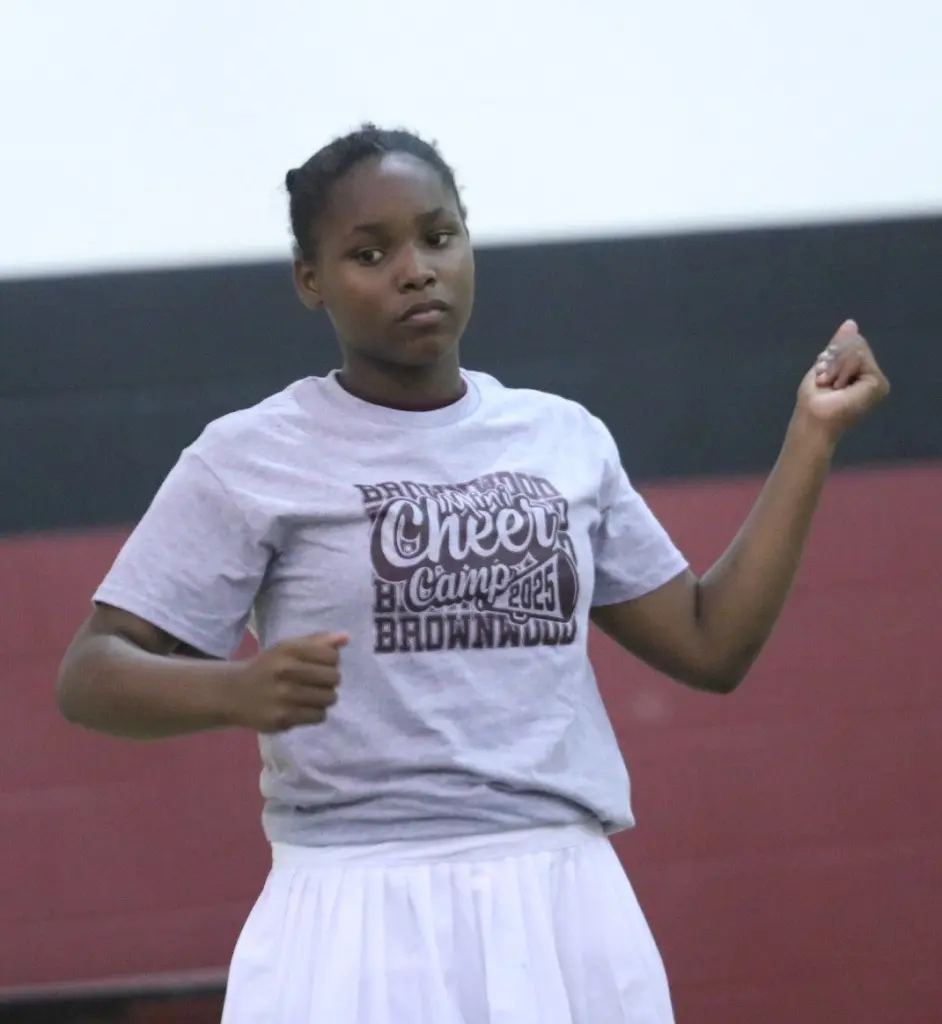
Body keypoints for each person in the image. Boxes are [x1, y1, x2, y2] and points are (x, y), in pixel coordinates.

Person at [55, 124, 890, 1024]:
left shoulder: (562, 437)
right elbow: (90, 673)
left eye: (438, 236)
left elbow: (709, 642)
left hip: (563, 894)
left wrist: (812, 437)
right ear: (310, 279)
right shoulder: (250, 456)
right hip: (355, 901)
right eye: (369, 253)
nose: (415, 271)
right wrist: (236, 690)